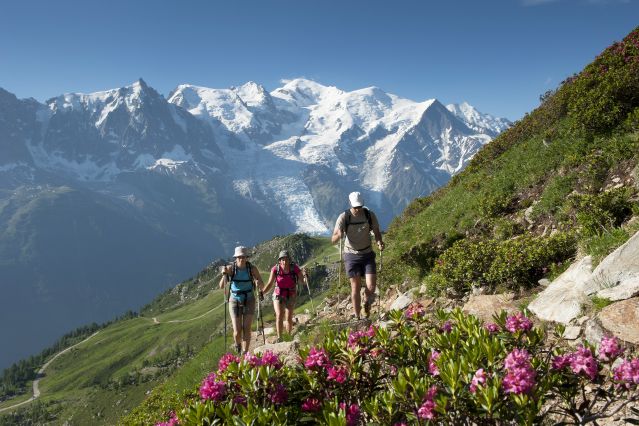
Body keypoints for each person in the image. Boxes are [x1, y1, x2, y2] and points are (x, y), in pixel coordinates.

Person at [331, 192, 385, 320]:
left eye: (360, 206)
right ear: (350, 204)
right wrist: (338, 235)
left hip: (367, 254)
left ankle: (366, 304)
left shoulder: (369, 215)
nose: (357, 209)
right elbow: (333, 239)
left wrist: (379, 242)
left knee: (371, 286)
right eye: (355, 207)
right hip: (351, 255)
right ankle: (357, 317)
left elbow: (376, 232)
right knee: (355, 287)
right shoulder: (344, 217)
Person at [219, 246, 264, 354]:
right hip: (234, 300)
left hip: (249, 299)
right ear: (236, 257)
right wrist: (224, 274)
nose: (241, 259)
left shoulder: (252, 268)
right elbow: (221, 286)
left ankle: (245, 352)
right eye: (239, 257)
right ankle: (237, 344)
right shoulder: (231, 269)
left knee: (246, 328)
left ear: (246, 257)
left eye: (243, 257)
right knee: (237, 331)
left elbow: (262, 284)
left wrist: (258, 283)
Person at [263, 250, 303, 342]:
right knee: (279, 314)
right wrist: (263, 292)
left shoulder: (295, 268)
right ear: (279, 261)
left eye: (286, 259)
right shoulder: (275, 269)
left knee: (289, 317)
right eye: (282, 260)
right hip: (278, 294)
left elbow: (302, 280)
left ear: (289, 260)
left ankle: (288, 336)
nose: (284, 262)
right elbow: (270, 283)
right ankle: (279, 337)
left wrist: (305, 277)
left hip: (291, 294)